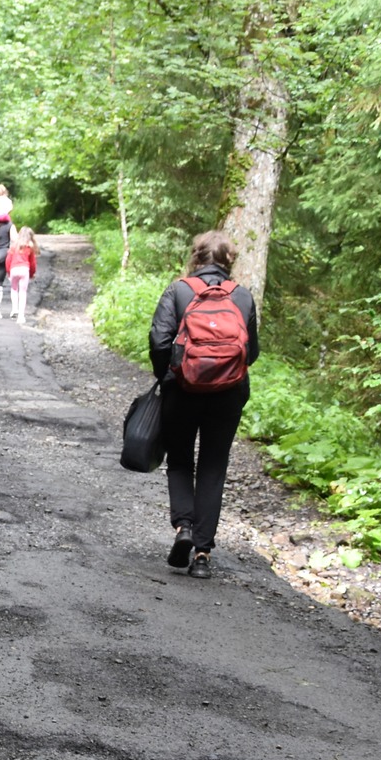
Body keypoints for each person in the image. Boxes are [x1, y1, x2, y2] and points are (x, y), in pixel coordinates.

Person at [148, 230, 260, 579]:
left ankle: (183, 528)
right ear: (229, 262)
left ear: (196, 257)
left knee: (180, 460)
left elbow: (159, 340)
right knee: (213, 466)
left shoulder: (179, 290)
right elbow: (251, 352)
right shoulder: (242, 297)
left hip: (182, 390)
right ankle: (202, 554)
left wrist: (167, 376)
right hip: (228, 394)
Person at [3, 227, 37, 320]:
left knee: (14, 289)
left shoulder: (14, 246)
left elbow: (8, 260)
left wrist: (8, 272)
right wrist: (32, 273)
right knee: (23, 292)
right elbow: (33, 262)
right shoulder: (29, 246)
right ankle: (21, 315)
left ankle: (14, 309)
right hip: (24, 269)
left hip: (14, 269)